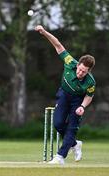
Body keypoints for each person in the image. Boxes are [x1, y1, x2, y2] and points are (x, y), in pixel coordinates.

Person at [35, 25, 96, 165]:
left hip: (77, 101)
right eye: (80, 70)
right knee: (58, 124)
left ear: (89, 71)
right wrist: (44, 32)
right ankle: (75, 144)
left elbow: (89, 96)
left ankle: (60, 157)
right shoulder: (70, 62)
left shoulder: (91, 82)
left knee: (71, 128)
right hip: (63, 94)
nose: (80, 73)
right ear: (78, 64)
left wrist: (83, 106)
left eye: (84, 72)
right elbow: (57, 44)